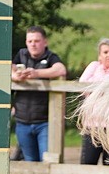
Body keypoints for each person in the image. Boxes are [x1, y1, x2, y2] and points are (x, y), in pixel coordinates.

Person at [11, 26, 67, 162]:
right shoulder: (21, 54)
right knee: (30, 161)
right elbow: (8, 67)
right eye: (30, 41)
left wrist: (37, 74)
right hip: (22, 120)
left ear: (45, 42)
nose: (33, 44)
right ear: (26, 42)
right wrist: (15, 76)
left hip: (44, 121)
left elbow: (61, 69)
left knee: (46, 160)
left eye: (36, 41)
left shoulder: (50, 57)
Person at [78, 37, 109, 165]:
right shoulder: (94, 66)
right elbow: (81, 86)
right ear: (100, 55)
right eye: (105, 52)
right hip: (92, 125)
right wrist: (105, 86)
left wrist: (98, 88)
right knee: (88, 162)